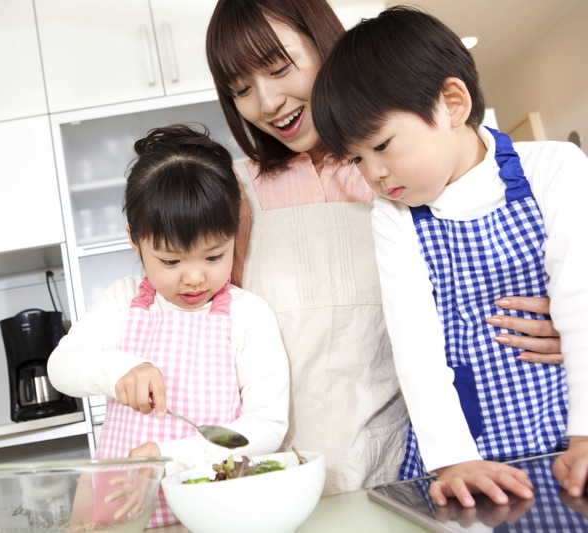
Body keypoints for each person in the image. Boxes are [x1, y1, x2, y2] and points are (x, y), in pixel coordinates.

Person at [205, 0, 564, 495]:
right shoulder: (234, 195)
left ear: (323, 41)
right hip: (284, 480)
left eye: (279, 67)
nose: (266, 102)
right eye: (241, 89)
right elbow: (205, 340)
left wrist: (566, 325)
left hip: (410, 465)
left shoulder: (418, 167)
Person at [312, 5, 588, 509]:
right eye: (357, 158)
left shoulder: (556, 169)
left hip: (570, 428)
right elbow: (413, 343)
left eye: (382, 145)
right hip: (468, 447)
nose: (374, 174)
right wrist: (452, 458)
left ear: (452, 103)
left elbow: (581, 304)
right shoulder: (394, 214)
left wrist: (587, 437)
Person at [48, 124, 289, 528]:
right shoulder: (124, 301)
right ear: (134, 241)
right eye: (171, 262)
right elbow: (61, 368)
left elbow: (267, 426)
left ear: (235, 233)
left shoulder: (249, 315)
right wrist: (116, 370)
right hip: (120, 511)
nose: (194, 278)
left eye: (214, 257)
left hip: (214, 510)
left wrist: (168, 457)